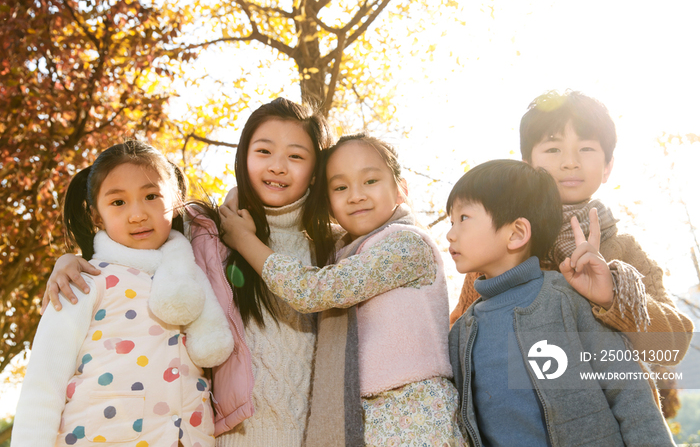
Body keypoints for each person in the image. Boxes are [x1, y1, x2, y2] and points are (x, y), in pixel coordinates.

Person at [41, 98, 334, 447]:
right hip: (234, 434)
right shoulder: (205, 229)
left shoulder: (332, 246)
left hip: (315, 433)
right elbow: (140, 236)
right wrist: (72, 258)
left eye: (296, 156)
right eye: (264, 151)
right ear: (243, 157)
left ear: (316, 170)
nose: (278, 167)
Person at [221, 134, 465, 447]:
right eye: (340, 187)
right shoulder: (345, 250)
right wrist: (247, 191)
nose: (356, 196)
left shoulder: (406, 244)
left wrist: (244, 240)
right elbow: (292, 221)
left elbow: (315, 289)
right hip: (360, 414)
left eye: (371, 180)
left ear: (402, 189)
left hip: (413, 411)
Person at [12, 141, 233, 446]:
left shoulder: (191, 276)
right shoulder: (82, 280)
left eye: (152, 196)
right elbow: (44, 383)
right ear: (96, 216)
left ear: (177, 201)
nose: (138, 214)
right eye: (118, 202)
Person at [450, 90, 693, 368]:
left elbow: (674, 345)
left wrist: (612, 296)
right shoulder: (495, 246)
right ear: (527, 166)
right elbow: (460, 338)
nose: (570, 162)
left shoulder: (624, 251)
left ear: (607, 167)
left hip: (614, 409)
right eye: (553, 148)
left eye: (587, 148)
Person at [446, 159, 676, 446]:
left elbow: (628, 390)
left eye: (464, 218)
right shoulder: (462, 332)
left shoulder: (567, 300)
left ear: (516, 233)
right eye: (450, 221)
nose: (450, 233)